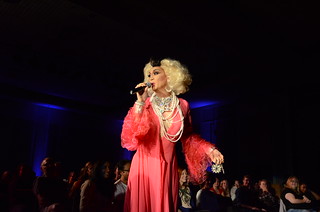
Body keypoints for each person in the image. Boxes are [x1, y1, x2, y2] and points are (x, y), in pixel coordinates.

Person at [121, 57, 224, 212]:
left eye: (155, 73)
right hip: (145, 166)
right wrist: (140, 103)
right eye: (149, 75)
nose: (151, 78)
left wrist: (210, 150)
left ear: (169, 76)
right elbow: (130, 139)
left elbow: (188, 137)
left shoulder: (183, 105)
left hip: (169, 167)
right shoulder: (146, 104)